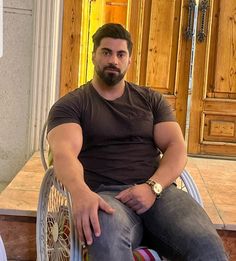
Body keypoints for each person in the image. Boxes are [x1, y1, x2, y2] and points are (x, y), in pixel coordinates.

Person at [47, 23, 228, 260]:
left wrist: (153, 187)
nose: (113, 59)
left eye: (120, 54)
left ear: (129, 60)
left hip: (160, 195)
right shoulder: (72, 104)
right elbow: (64, 155)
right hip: (108, 198)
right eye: (106, 52)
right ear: (93, 56)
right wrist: (80, 192)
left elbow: (176, 146)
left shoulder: (151, 99)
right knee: (107, 241)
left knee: (207, 246)